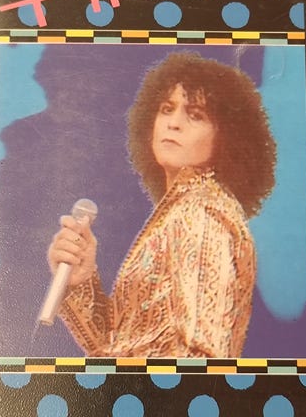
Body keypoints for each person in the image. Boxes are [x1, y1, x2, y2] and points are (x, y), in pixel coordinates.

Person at [47, 52, 276, 357]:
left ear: (226, 137)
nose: (174, 123)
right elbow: (120, 345)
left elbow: (200, 358)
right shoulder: (180, 210)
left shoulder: (202, 214)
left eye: (195, 115)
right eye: (167, 109)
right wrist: (80, 280)